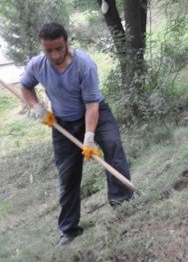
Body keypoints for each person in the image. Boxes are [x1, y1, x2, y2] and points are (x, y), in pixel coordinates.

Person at [20, 22, 133, 246]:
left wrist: (89, 138)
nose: (54, 55)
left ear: (66, 43)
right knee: (67, 175)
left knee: (112, 146)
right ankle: (69, 230)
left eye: (58, 49)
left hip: (95, 115)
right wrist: (37, 108)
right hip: (62, 123)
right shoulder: (37, 66)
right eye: (48, 50)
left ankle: (122, 202)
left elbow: (92, 106)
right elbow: (25, 87)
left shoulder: (84, 66)